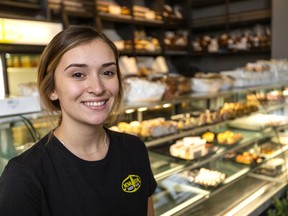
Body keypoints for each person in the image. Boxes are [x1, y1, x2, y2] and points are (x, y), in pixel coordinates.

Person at [0, 25, 157, 216]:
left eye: (107, 72)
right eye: (78, 74)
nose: (97, 88)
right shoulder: (24, 175)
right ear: (52, 89)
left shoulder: (134, 149)